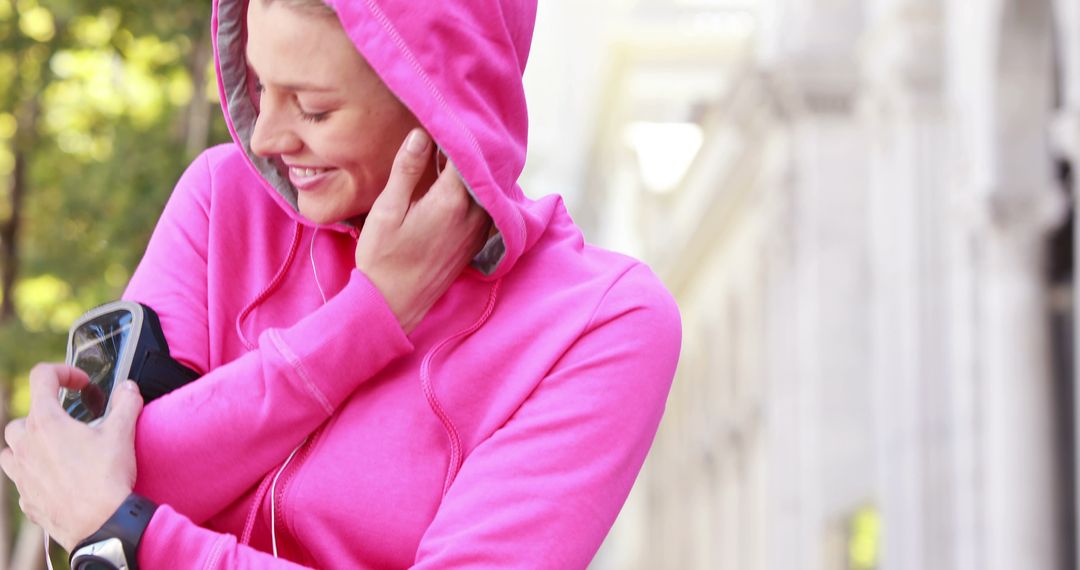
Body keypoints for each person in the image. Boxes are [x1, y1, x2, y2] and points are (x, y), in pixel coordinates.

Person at [0, 0, 682, 567]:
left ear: (439, 103)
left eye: (315, 109)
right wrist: (366, 320)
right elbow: (102, 470)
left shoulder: (598, 323)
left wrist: (135, 536)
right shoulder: (223, 202)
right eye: (261, 87)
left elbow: (103, 500)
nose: (264, 136)